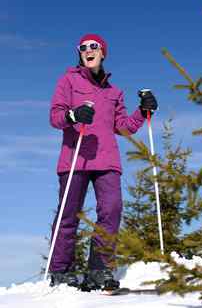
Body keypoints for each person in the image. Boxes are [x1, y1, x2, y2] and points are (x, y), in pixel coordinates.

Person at [49, 33, 158, 291]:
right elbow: (55, 117)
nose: (88, 50)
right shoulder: (68, 80)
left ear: (102, 52)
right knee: (68, 216)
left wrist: (143, 111)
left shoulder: (114, 92)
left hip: (107, 160)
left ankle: (99, 269)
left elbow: (124, 127)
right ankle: (61, 271)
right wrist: (73, 114)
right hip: (75, 158)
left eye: (93, 46)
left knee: (111, 211)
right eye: (83, 47)